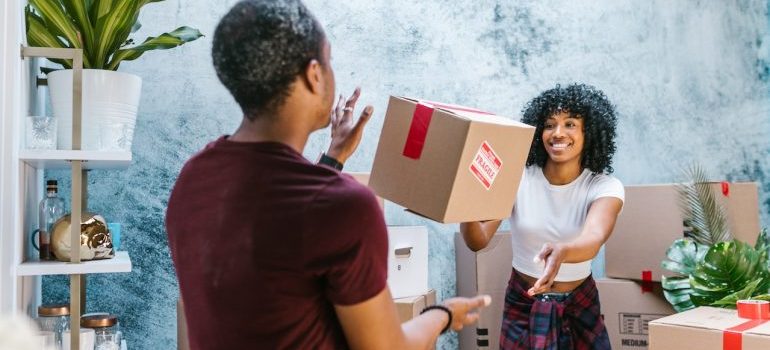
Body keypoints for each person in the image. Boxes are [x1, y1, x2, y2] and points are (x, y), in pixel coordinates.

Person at [165, 1, 489, 349]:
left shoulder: (193, 179)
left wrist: (333, 158)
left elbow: (277, 249)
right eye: (330, 61)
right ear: (314, 74)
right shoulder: (345, 208)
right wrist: (442, 315)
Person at [461, 84, 624, 349]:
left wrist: (562, 251)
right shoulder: (515, 177)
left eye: (570, 124)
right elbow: (477, 240)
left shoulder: (604, 186)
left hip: (579, 304)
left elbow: (594, 237)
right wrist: (462, 204)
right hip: (523, 302)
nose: (558, 133)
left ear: (589, 131)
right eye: (549, 124)